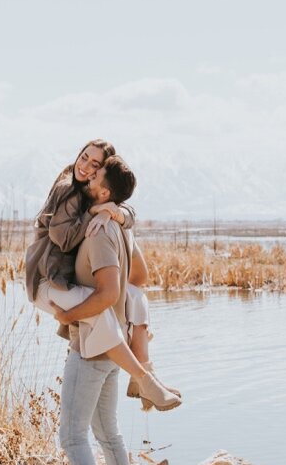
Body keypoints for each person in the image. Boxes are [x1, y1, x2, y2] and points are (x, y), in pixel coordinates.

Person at [46, 156, 152, 465]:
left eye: (95, 177)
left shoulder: (100, 230)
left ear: (104, 192)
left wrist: (70, 313)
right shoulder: (119, 226)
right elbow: (137, 276)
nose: (87, 178)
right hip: (115, 338)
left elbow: (109, 292)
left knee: (73, 436)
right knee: (108, 431)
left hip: (92, 342)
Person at [24, 141, 180, 411]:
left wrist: (117, 212)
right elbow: (62, 238)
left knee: (137, 296)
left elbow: (127, 210)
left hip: (69, 280)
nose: (84, 167)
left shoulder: (91, 192)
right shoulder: (68, 190)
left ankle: (143, 371)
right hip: (48, 279)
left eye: (94, 166)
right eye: (83, 158)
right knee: (101, 310)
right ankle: (146, 381)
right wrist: (95, 212)